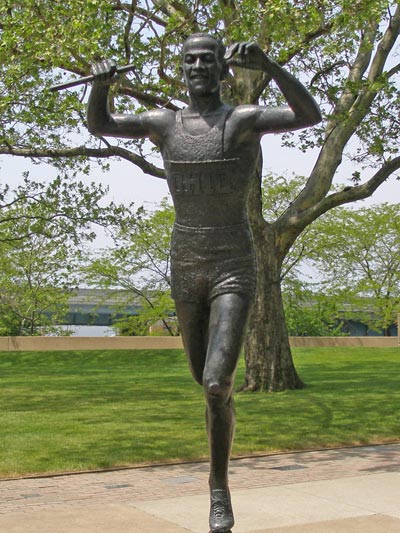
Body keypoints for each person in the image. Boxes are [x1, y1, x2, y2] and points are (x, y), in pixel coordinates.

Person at [87, 34, 321, 533]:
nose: (197, 67)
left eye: (207, 60)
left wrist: (271, 65)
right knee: (205, 381)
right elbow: (101, 124)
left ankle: (219, 490)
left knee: (216, 383)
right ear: (181, 69)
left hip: (233, 261)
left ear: (221, 70)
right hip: (186, 264)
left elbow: (308, 115)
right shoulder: (164, 124)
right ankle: (223, 425)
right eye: (189, 60)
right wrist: (102, 85)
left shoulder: (242, 120)